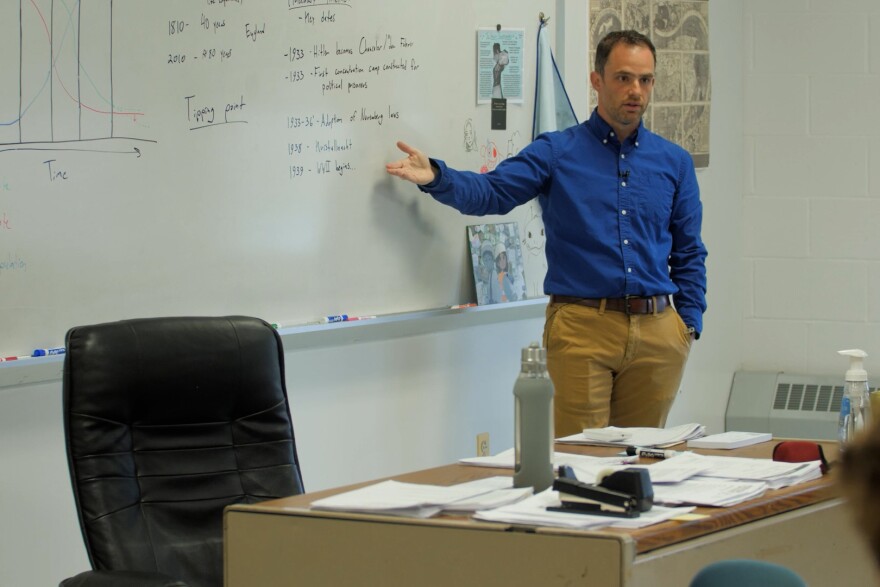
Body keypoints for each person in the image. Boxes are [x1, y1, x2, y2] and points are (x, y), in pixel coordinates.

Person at [386, 30, 707, 437]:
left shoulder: (674, 162)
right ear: (597, 80)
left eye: (645, 80)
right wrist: (436, 176)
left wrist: (688, 324)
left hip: (659, 333)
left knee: (642, 465)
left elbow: (689, 251)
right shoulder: (557, 151)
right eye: (624, 78)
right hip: (583, 326)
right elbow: (493, 193)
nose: (635, 91)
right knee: (580, 460)